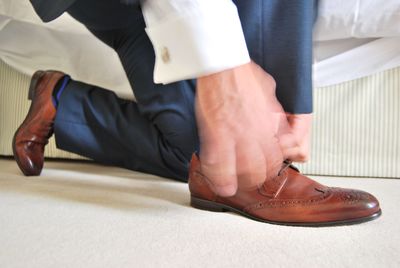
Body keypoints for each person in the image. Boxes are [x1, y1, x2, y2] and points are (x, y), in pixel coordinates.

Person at [13, 0, 381, 226]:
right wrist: (222, 64)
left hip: (133, 26)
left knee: (209, 161)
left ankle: (61, 100)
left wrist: (296, 100)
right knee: (225, 161)